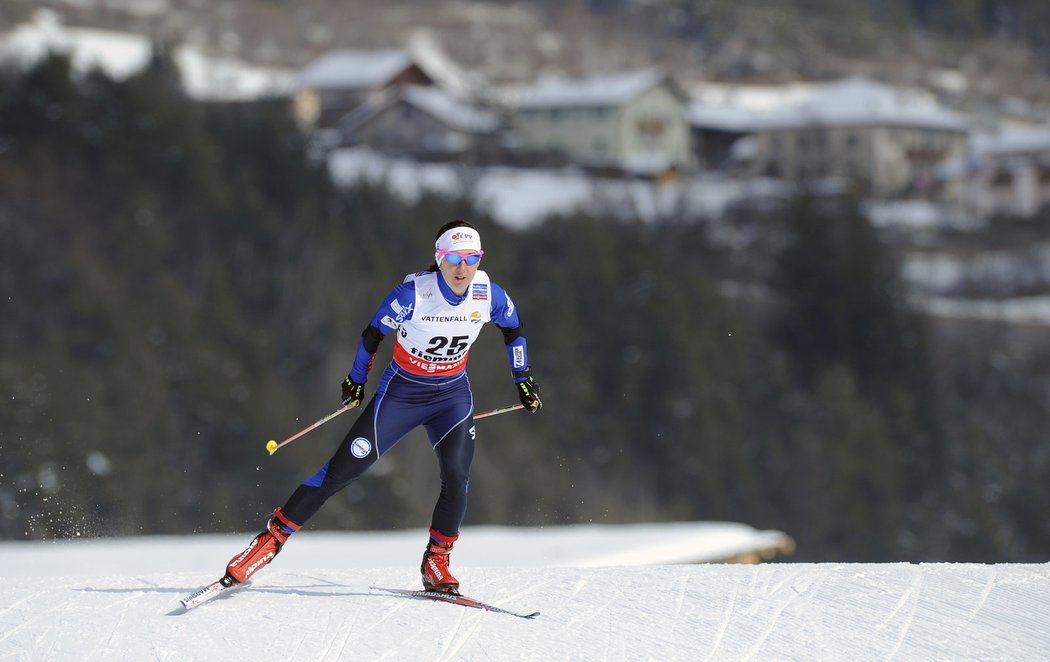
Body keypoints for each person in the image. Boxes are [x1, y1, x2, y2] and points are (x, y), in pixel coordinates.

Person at [222, 220, 541, 594]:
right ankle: (267, 543)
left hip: (451, 396)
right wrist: (356, 379)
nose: (461, 268)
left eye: (471, 258)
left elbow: (513, 330)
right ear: (439, 258)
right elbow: (373, 334)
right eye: (453, 258)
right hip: (401, 394)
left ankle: (436, 561)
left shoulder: (489, 294)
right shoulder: (412, 295)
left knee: (456, 475)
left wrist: (523, 378)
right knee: (339, 473)